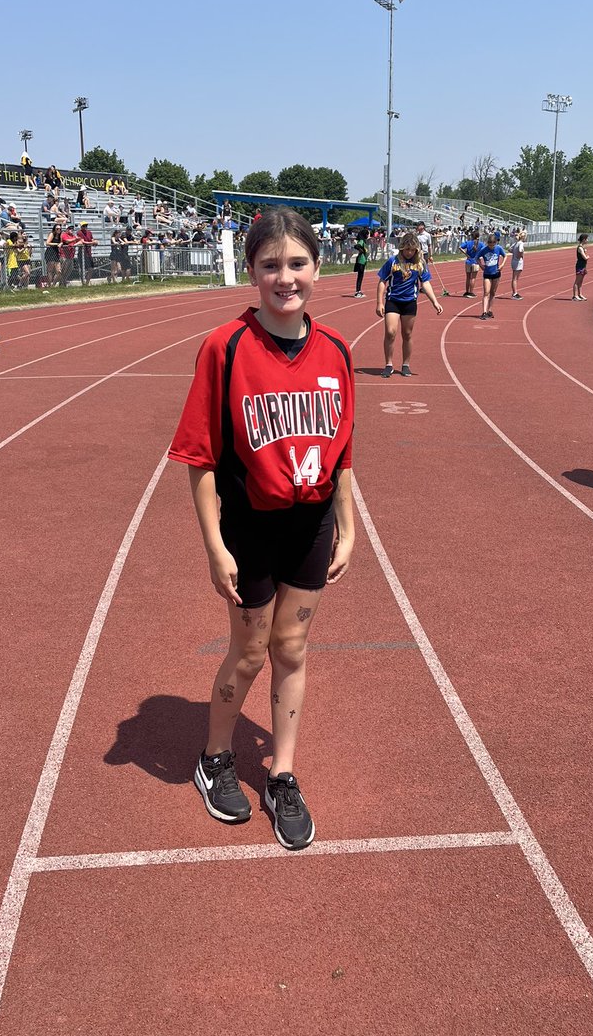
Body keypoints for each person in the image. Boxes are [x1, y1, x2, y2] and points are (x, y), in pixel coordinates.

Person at [168, 207, 355, 851]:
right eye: (271, 265)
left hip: (312, 525)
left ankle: (282, 774)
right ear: (251, 272)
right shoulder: (225, 348)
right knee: (250, 653)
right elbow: (197, 458)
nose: (286, 277)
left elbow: (344, 453)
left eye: (297, 263)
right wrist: (215, 545)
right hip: (249, 527)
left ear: (317, 267)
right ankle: (215, 756)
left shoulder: (335, 351)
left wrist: (350, 530)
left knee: (293, 651)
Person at [375, 231, 443, 378]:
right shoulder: (393, 261)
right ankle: (389, 364)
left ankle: (406, 364)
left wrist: (434, 302)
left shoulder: (419, 263)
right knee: (390, 332)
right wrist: (379, 302)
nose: (409, 252)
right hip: (393, 301)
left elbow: (425, 283)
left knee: (407, 334)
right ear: (402, 248)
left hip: (410, 302)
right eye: (407, 249)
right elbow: (382, 281)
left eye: (412, 250)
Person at [476, 231, 506, 319]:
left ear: (496, 243)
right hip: (487, 274)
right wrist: (481, 265)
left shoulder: (498, 248)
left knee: (493, 293)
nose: (491, 247)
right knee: (486, 292)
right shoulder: (484, 250)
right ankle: (484, 312)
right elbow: (477, 258)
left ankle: (489, 310)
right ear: (487, 243)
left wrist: (502, 265)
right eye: (490, 245)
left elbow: (505, 256)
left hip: (496, 273)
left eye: (493, 245)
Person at [459, 229, 483, 297]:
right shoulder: (480, 244)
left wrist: (466, 254)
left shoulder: (468, 242)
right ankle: (471, 292)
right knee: (473, 278)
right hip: (475, 262)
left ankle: (467, 291)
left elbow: (460, 247)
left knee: (468, 277)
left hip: (468, 261)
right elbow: (484, 250)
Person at [44, 222, 62, 287]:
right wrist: (56, 244)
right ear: (54, 229)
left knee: (59, 271)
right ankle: (49, 285)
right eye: (57, 229)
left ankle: (53, 284)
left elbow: (62, 242)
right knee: (50, 271)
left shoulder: (60, 236)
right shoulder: (52, 234)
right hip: (50, 252)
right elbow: (47, 243)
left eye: (60, 229)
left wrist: (61, 244)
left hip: (56, 253)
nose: (58, 230)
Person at [353, 230, 369, 297]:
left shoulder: (364, 242)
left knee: (361, 276)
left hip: (364, 260)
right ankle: (357, 291)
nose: (368, 235)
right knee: (360, 276)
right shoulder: (361, 241)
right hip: (360, 261)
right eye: (367, 234)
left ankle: (359, 291)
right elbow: (356, 246)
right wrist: (361, 250)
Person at [572, 234, 589, 301]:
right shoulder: (580, 248)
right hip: (580, 266)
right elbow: (585, 257)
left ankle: (580, 294)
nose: (588, 240)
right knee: (577, 281)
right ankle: (575, 296)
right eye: (587, 239)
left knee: (581, 281)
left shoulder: (583, 248)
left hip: (583, 266)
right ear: (584, 239)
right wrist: (587, 257)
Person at [510, 229, 525, 299]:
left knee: (515, 278)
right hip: (518, 262)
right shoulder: (521, 243)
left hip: (514, 261)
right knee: (515, 279)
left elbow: (509, 249)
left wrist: (514, 253)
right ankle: (514, 293)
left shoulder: (516, 243)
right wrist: (520, 255)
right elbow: (520, 250)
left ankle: (514, 292)